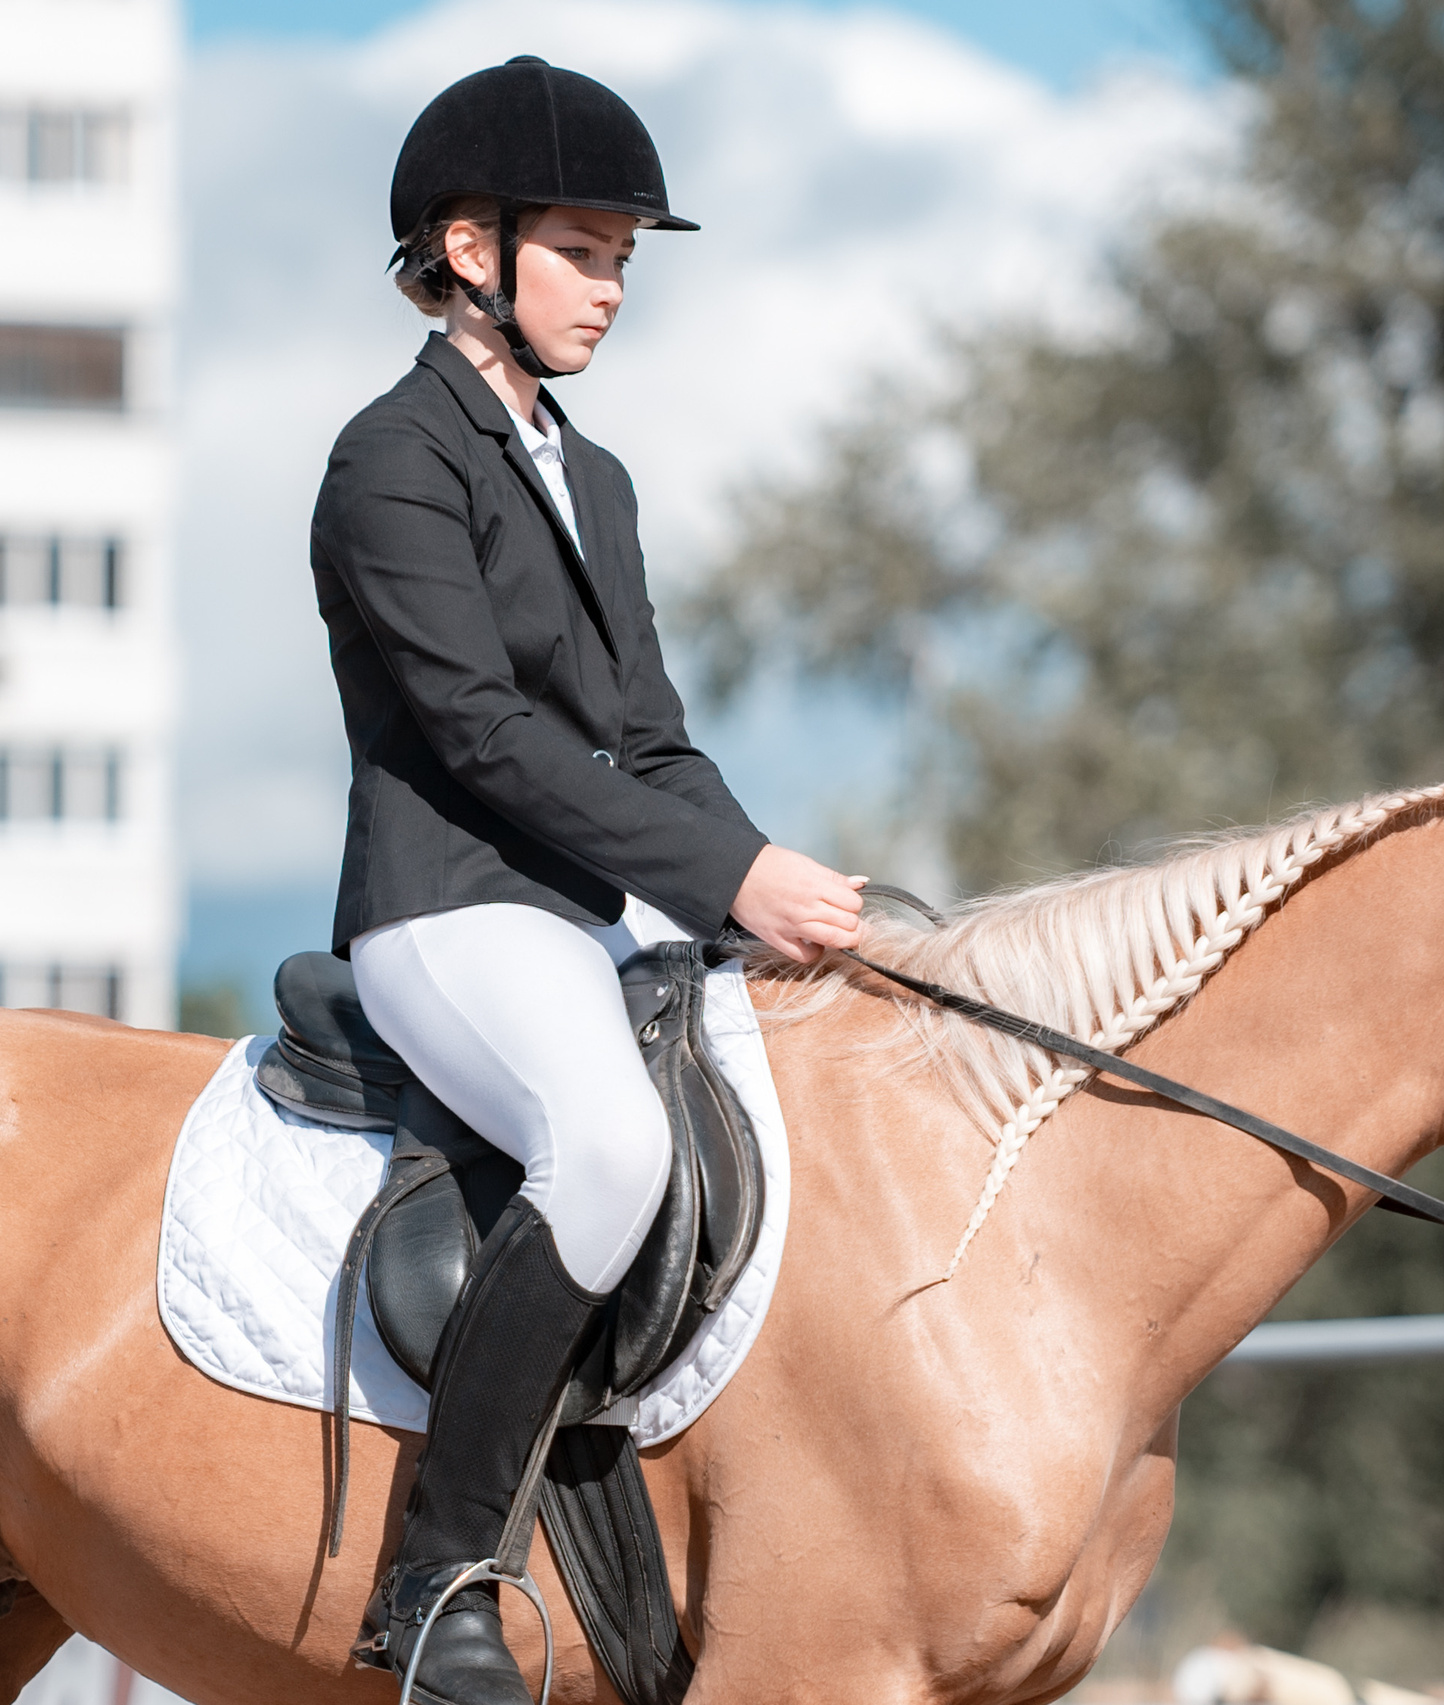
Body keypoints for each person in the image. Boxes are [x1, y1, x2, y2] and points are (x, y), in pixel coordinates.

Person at [309, 55, 865, 1705]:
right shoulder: (390, 458)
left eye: (627, 258)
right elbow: (478, 734)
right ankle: (435, 1582)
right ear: (471, 248)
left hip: (588, 912)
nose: (614, 289)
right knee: (613, 1144)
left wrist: (792, 896)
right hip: (449, 904)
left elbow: (651, 740)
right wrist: (721, 874)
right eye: (585, 251)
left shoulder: (594, 477)